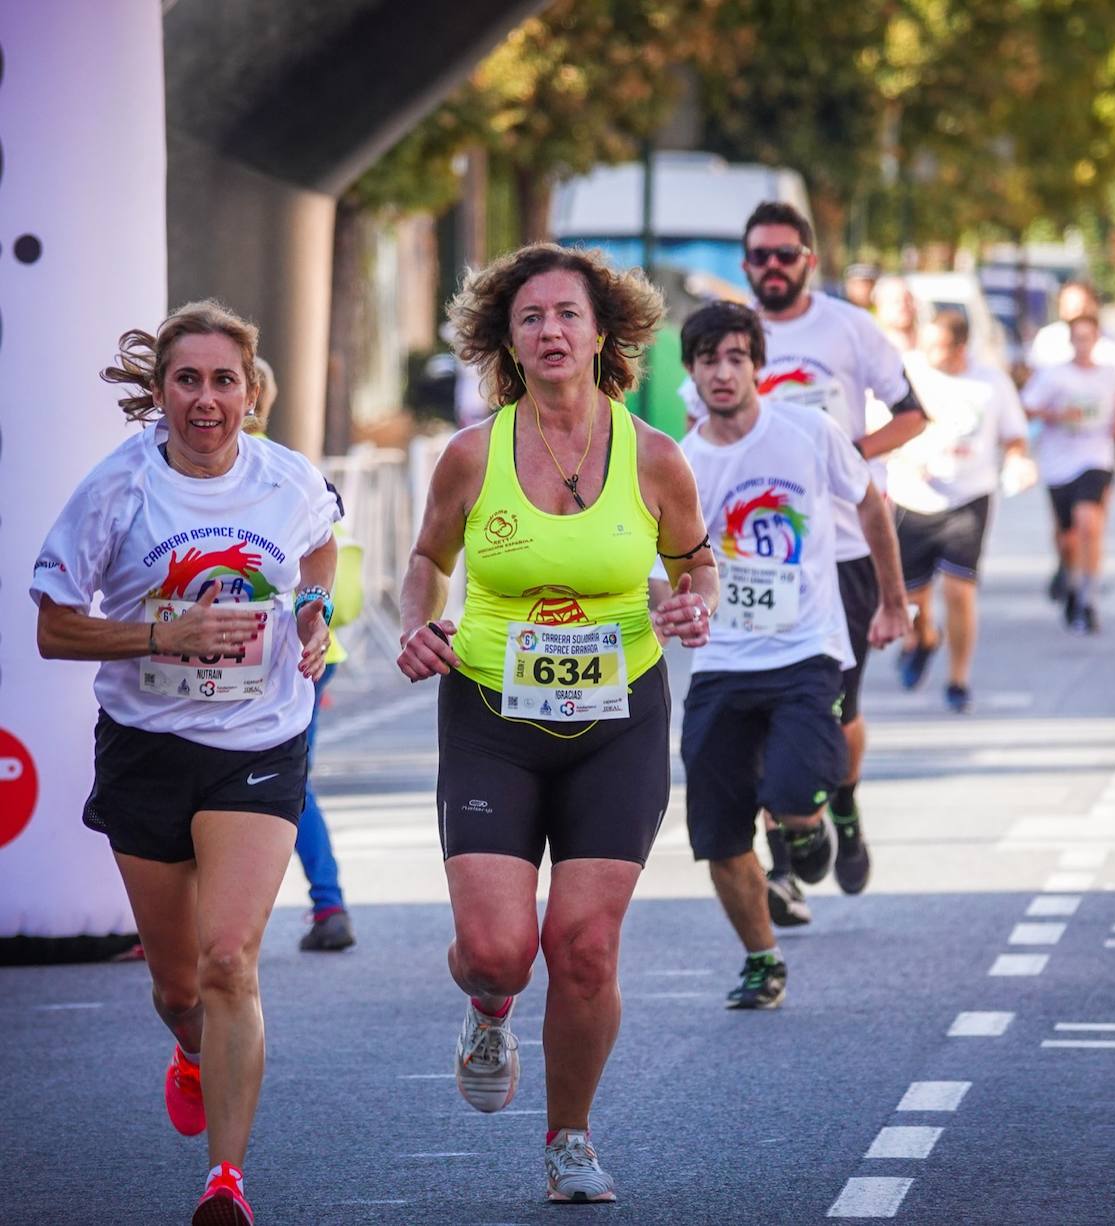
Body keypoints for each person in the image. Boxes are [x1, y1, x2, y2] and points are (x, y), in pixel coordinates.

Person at [395, 243, 716, 1205]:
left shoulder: (656, 459)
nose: (550, 332)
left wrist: (691, 603)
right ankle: (487, 1007)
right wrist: (417, 624)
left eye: (568, 315)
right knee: (501, 952)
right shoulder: (470, 455)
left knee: (582, 947)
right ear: (507, 339)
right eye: (530, 317)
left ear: (602, 331)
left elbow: (699, 566)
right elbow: (425, 560)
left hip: (618, 717)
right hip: (493, 712)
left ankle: (568, 1141)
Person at [31, 301, 339, 1226]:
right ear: (160, 392)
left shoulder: (287, 480)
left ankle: (226, 1183)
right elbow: (54, 627)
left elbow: (321, 548)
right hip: (148, 749)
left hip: (258, 740)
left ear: (252, 391)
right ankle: (189, 1050)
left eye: (224, 381)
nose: (207, 400)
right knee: (178, 989)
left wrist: (317, 614)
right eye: (187, 380)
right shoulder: (117, 491)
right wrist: (162, 629)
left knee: (229, 959)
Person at [681, 201, 927, 915]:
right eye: (758, 257)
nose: (771, 268)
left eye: (785, 255)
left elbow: (911, 414)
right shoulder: (717, 337)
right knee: (759, 709)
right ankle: (784, 862)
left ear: (808, 259)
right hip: (752, 566)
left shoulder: (849, 328)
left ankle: (835, 807)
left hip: (843, 542)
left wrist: (847, 456)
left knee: (834, 707)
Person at [676, 302, 907, 1005]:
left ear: (758, 366)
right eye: (709, 360)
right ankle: (762, 960)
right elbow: (663, 561)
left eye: (736, 358)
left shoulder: (808, 432)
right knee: (718, 835)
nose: (723, 372)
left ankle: (811, 827)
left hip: (807, 651)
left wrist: (894, 600)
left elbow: (870, 507)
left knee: (792, 792)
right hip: (721, 662)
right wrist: (669, 604)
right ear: (690, 372)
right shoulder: (682, 464)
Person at [249, 357, 359, 950]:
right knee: (289, 778)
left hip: (290, 649)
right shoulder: (300, 467)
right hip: (317, 647)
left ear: (247, 396)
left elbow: (325, 559)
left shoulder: (276, 474)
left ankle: (327, 904)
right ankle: (328, 906)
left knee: (280, 778)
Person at [888, 311, 1032, 709]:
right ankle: (924, 638)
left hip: (969, 497)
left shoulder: (991, 383)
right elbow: (877, 428)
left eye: (940, 346)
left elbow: (1015, 436)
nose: (930, 353)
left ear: (961, 348)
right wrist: (899, 458)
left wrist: (1020, 460)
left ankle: (958, 679)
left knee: (958, 591)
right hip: (913, 498)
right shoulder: (905, 373)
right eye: (927, 343)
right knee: (913, 599)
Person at [1027, 281, 1115, 600]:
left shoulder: (1112, 344)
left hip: (1098, 445)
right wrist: (1055, 414)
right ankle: (1067, 564)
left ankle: (1089, 583)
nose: (1074, 310)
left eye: (1081, 303)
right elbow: (1033, 394)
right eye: (1068, 303)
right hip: (1058, 446)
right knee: (1066, 526)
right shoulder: (1048, 341)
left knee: (1091, 517)